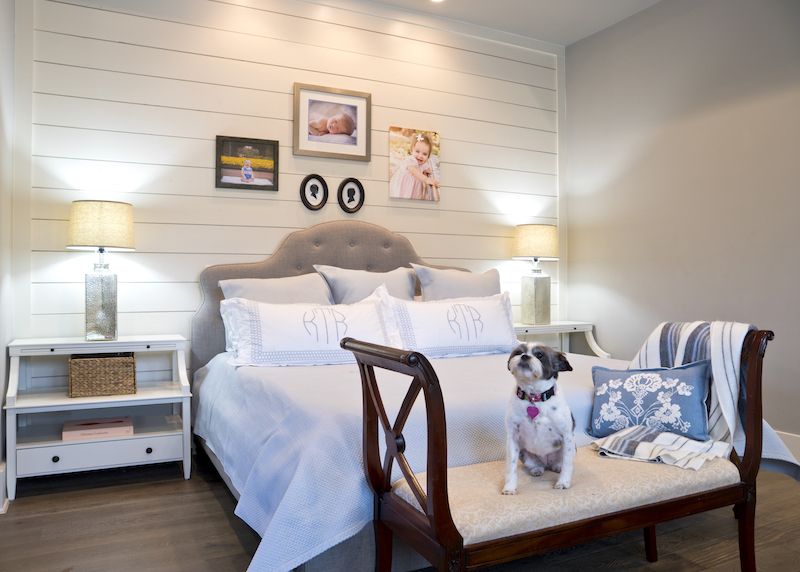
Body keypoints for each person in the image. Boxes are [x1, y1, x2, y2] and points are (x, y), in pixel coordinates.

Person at [389, 133, 440, 201]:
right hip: (405, 186)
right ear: (411, 150)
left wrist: (424, 170)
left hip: (413, 186)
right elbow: (414, 171)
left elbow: (420, 168)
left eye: (424, 154)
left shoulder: (421, 163)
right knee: (405, 198)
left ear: (428, 156)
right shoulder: (410, 161)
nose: (420, 156)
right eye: (417, 151)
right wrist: (426, 179)